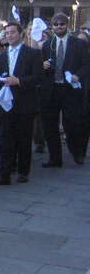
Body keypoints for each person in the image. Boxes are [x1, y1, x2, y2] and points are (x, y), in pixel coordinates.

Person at [0, 21, 44, 186]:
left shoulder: (33, 54)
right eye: (7, 33)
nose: (9, 35)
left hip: (25, 102)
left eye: (12, 32)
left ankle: (23, 171)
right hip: (5, 103)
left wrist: (19, 81)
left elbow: (39, 77)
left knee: (24, 138)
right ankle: (4, 173)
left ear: (21, 34)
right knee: (5, 138)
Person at [40, 13, 90, 167]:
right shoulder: (47, 45)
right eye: (56, 24)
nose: (59, 26)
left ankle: (77, 152)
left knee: (72, 123)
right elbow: (41, 66)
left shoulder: (79, 44)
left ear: (67, 25)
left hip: (70, 89)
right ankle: (55, 158)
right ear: (52, 27)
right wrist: (43, 66)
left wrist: (78, 75)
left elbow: (87, 65)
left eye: (62, 24)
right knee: (50, 124)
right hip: (52, 88)